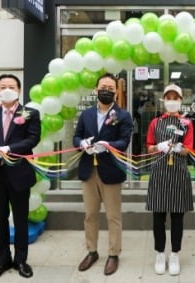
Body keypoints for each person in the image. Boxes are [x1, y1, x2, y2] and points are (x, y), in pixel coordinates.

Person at [0, 74, 41, 281]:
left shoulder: (30, 113)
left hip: (19, 174)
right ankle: (1, 261)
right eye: (3, 86)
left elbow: (32, 139)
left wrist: (9, 148)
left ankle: (21, 260)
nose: (7, 89)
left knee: (20, 219)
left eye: (11, 86)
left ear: (19, 90)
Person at [73, 73, 133, 275]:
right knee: (90, 215)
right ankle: (92, 251)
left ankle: (114, 254)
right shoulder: (86, 114)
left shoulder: (123, 116)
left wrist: (107, 146)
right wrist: (81, 144)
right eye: (103, 87)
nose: (106, 90)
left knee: (113, 216)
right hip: (88, 170)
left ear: (116, 91)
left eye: (110, 87)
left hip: (111, 172)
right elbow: (76, 136)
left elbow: (124, 142)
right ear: (96, 90)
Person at [146, 84, 194, 276]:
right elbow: (148, 148)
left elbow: (188, 150)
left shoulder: (187, 124)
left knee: (177, 218)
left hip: (179, 173)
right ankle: (159, 253)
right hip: (159, 172)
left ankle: (174, 254)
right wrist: (160, 146)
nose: (172, 101)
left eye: (176, 98)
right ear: (164, 101)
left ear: (181, 101)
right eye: (169, 97)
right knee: (158, 217)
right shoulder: (155, 122)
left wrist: (178, 149)